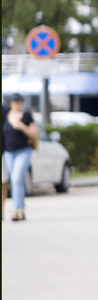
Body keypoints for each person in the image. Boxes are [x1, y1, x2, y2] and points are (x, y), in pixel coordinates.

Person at [2, 94, 39, 222]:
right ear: (11, 103)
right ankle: (18, 208)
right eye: (16, 101)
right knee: (14, 180)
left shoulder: (26, 116)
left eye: (20, 101)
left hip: (23, 151)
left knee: (17, 178)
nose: (19, 104)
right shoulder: (5, 116)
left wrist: (22, 127)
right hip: (8, 152)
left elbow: (35, 133)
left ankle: (18, 210)